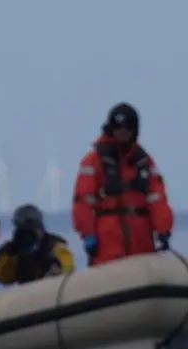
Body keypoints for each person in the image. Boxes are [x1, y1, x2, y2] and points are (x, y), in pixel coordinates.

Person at [71, 102, 174, 266]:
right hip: (108, 245)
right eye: (118, 128)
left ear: (135, 130)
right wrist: (87, 233)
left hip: (141, 243)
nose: (122, 133)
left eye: (127, 128)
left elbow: (158, 199)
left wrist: (163, 229)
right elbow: (83, 199)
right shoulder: (95, 160)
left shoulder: (144, 162)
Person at [0, 204, 75, 286]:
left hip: (50, 292)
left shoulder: (54, 246)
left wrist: (54, 265)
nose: (28, 236)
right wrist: (10, 255)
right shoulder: (14, 249)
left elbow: (68, 269)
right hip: (27, 294)